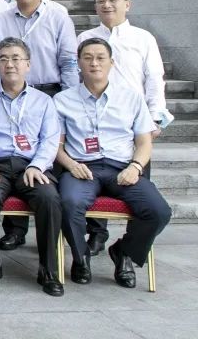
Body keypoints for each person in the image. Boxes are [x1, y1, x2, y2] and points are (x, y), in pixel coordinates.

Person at [55, 38, 172, 288]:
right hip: (82, 168)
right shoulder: (62, 100)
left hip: (122, 168)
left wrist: (136, 167)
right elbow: (56, 146)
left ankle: (124, 252)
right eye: (87, 58)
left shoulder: (131, 98)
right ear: (78, 63)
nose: (94, 63)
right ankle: (81, 257)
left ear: (112, 63)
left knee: (158, 211)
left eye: (100, 58)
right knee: (68, 203)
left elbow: (144, 143)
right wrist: (71, 165)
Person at [78, 0, 173, 256]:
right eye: (101, 1)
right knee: (92, 179)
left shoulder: (143, 38)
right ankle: (96, 234)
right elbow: (75, 78)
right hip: (92, 121)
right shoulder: (86, 37)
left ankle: (127, 250)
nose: (107, 5)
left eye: (113, 0)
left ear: (127, 4)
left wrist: (155, 118)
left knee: (136, 186)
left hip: (133, 124)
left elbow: (154, 79)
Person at [0, 38, 64, 296]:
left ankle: (48, 268)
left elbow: (50, 140)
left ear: (28, 64)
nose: (9, 64)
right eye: (3, 59)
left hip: (30, 166)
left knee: (49, 198)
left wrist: (38, 166)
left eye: (15, 58)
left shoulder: (43, 100)